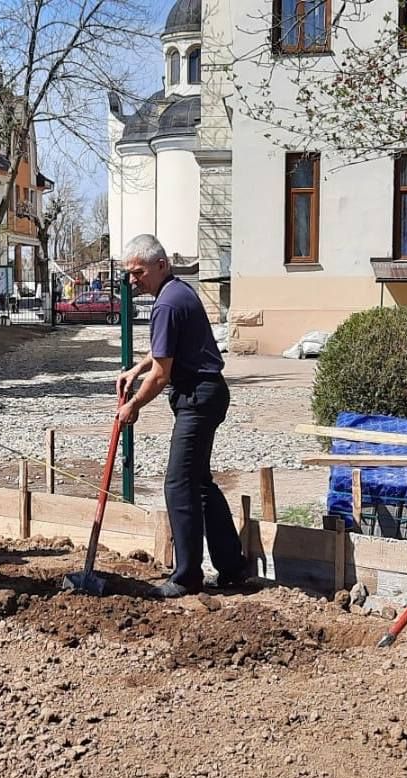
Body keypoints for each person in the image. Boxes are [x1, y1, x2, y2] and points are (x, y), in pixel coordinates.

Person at [115, 234, 245, 599]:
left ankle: (187, 575)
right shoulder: (176, 293)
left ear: (161, 265)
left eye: (138, 272)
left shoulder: (167, 304)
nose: (132, 280)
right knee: (199, 482)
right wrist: (135, 369)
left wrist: (133, 405)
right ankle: (233, 567)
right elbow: (162, 354)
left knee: (178, 483)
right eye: (128, 273)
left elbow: (162, 374)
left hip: (198, 399)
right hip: (207, 394)